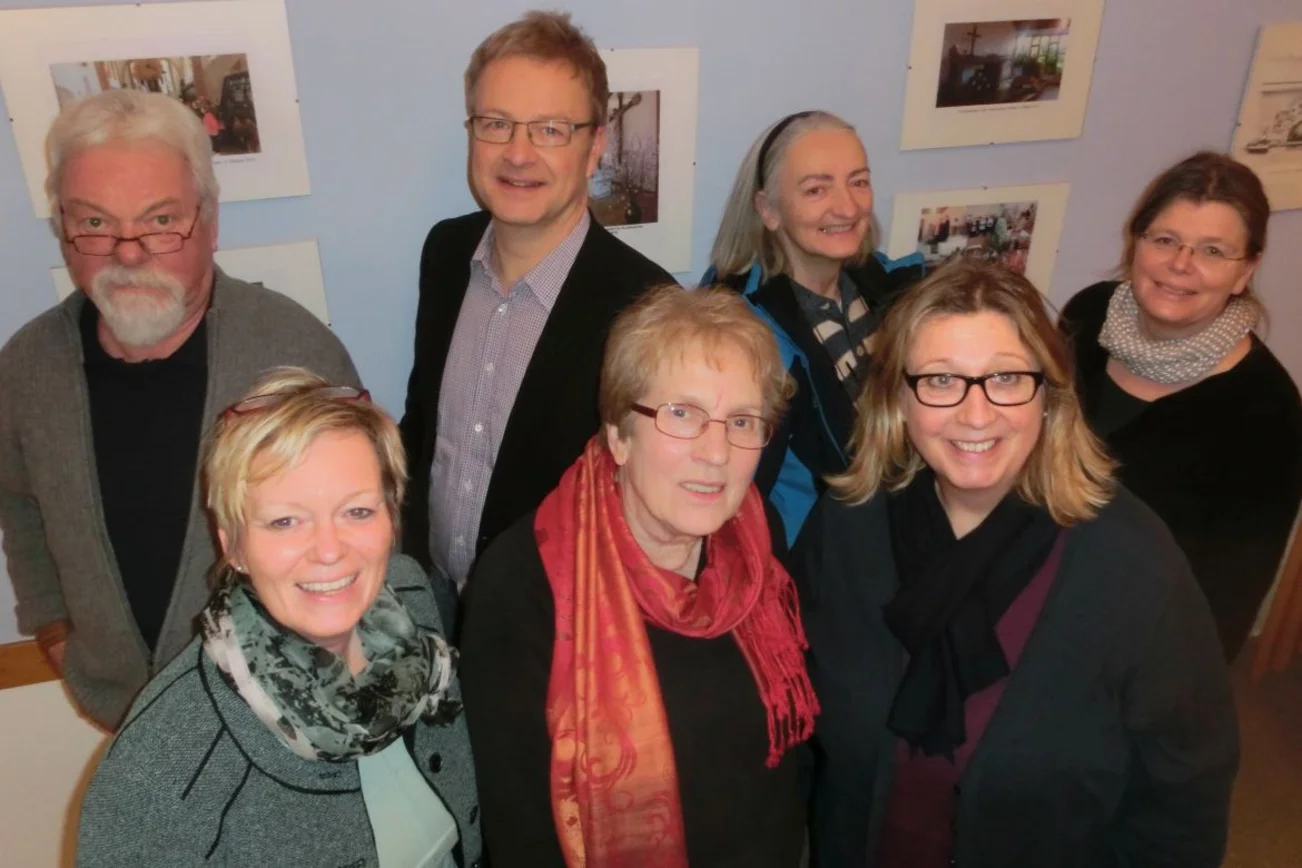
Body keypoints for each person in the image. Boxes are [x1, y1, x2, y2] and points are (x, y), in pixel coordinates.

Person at [797, 261, 1238, 868]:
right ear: (899, 398)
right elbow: (797, 714)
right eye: (941, 380)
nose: (976, 414)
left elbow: (1186, 788)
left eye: (1006, 377)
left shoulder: (1133, 566)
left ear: (1050, 395)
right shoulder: (848, 527)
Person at [0, 90, 359, 731]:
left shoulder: (295, 356)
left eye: (161, 221)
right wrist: (53, 626)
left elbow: (360, 538)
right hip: (122, 714)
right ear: (62, 227)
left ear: (209, 222)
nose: (128, 251)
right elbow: (21, 503)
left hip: (283, 723)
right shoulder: (29, 365)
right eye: (94, 222)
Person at [459, 285, 817, 867]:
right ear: (620, 434)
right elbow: (518, 829)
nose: (716, 452)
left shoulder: (758, 535)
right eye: (682, 415)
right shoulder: (524, 583)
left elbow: (788, 763)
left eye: (743, 421)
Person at [77, 368, 482, 868]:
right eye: (285, 521)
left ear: (391, 518)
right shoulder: (162, 763)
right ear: (234, 547)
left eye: (356, 511)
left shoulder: (413, 601)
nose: (330, 551)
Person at [399, 10, 674, 612]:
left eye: (550, 129)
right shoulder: (444, 252)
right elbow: (423, 421)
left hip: (550, 623)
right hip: (430, 596)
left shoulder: (648, 308)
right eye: (496, 124)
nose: (517, 154)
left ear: (594, 145)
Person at [1059, 151, 1302, 660]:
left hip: (1135, 648)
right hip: (1028, 590)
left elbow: (1229, 602)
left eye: (1213, 251)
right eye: (1165, 240)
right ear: (1136, 241)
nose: (1181, 265)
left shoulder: (1268, 410)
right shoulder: (1088, 315)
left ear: (1246, 270)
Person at [705, 110, 923, 544]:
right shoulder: (732, 332)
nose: (847, 206)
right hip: (811, 563)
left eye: (858, 181)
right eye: (816, 189)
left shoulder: (895, 290)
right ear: (768, 210)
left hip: (903, 535)